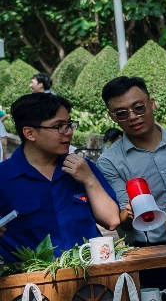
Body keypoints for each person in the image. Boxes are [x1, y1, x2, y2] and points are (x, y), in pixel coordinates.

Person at [0, 93, 120, 263]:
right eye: (58, 126)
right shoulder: (4, 178)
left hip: (92, 278)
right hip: (32, 284)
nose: (68, 132)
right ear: (30, 133)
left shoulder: (81, 168)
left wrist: (89, 180)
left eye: (69, 124)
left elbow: (112, 221)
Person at [96, 75, 166, 246]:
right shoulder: (109, 162)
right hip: (150, 251)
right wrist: (130, 211)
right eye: (122, 113)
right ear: (112, 117)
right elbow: (121, 220)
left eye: (139, 108)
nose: (132, 117)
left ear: (152, 103)